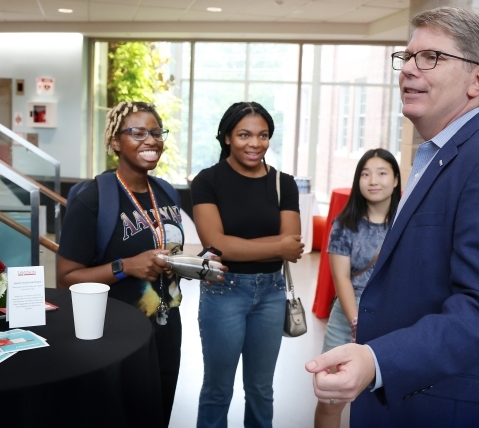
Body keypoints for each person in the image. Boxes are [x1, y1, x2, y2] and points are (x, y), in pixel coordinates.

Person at [305, 7, 479, 428]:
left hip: (445, 407)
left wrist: (378, 359)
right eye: (407, 57)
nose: (409, 70)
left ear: (478, 80)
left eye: (431, 57)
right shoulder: (436, 157)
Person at [57, 101, 186, 426]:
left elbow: (163, 249)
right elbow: (66, 277)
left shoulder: (166, 192)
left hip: (167, 327)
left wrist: (193, 266)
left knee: (158, 415)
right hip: (117, 333)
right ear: (115, 141)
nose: (151, 140)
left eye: (156, 132)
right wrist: (125, 266)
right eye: (138, 132)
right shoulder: (93, 199)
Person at [191, 101, 304, 428]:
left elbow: (292, 246)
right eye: (244, 134)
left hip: (271, 293)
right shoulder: (208, 181)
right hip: (224, 292)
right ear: (227, 137)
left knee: (260, 389)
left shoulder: (284, 183)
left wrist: (238, 247)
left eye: (263, 135)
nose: (255, 143)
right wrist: (274, 246)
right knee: (217, 389)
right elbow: (216, 245)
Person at [314, 148, 401, 428]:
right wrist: (355, 321)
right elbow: (341, 279)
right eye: (365, 174)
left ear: (397, 180)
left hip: (393, 320)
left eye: (382, 173)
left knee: (388, 400)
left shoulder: (406, 224)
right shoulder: (345, 223)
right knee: (332, 399)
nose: (373, 180)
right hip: (347, 316)